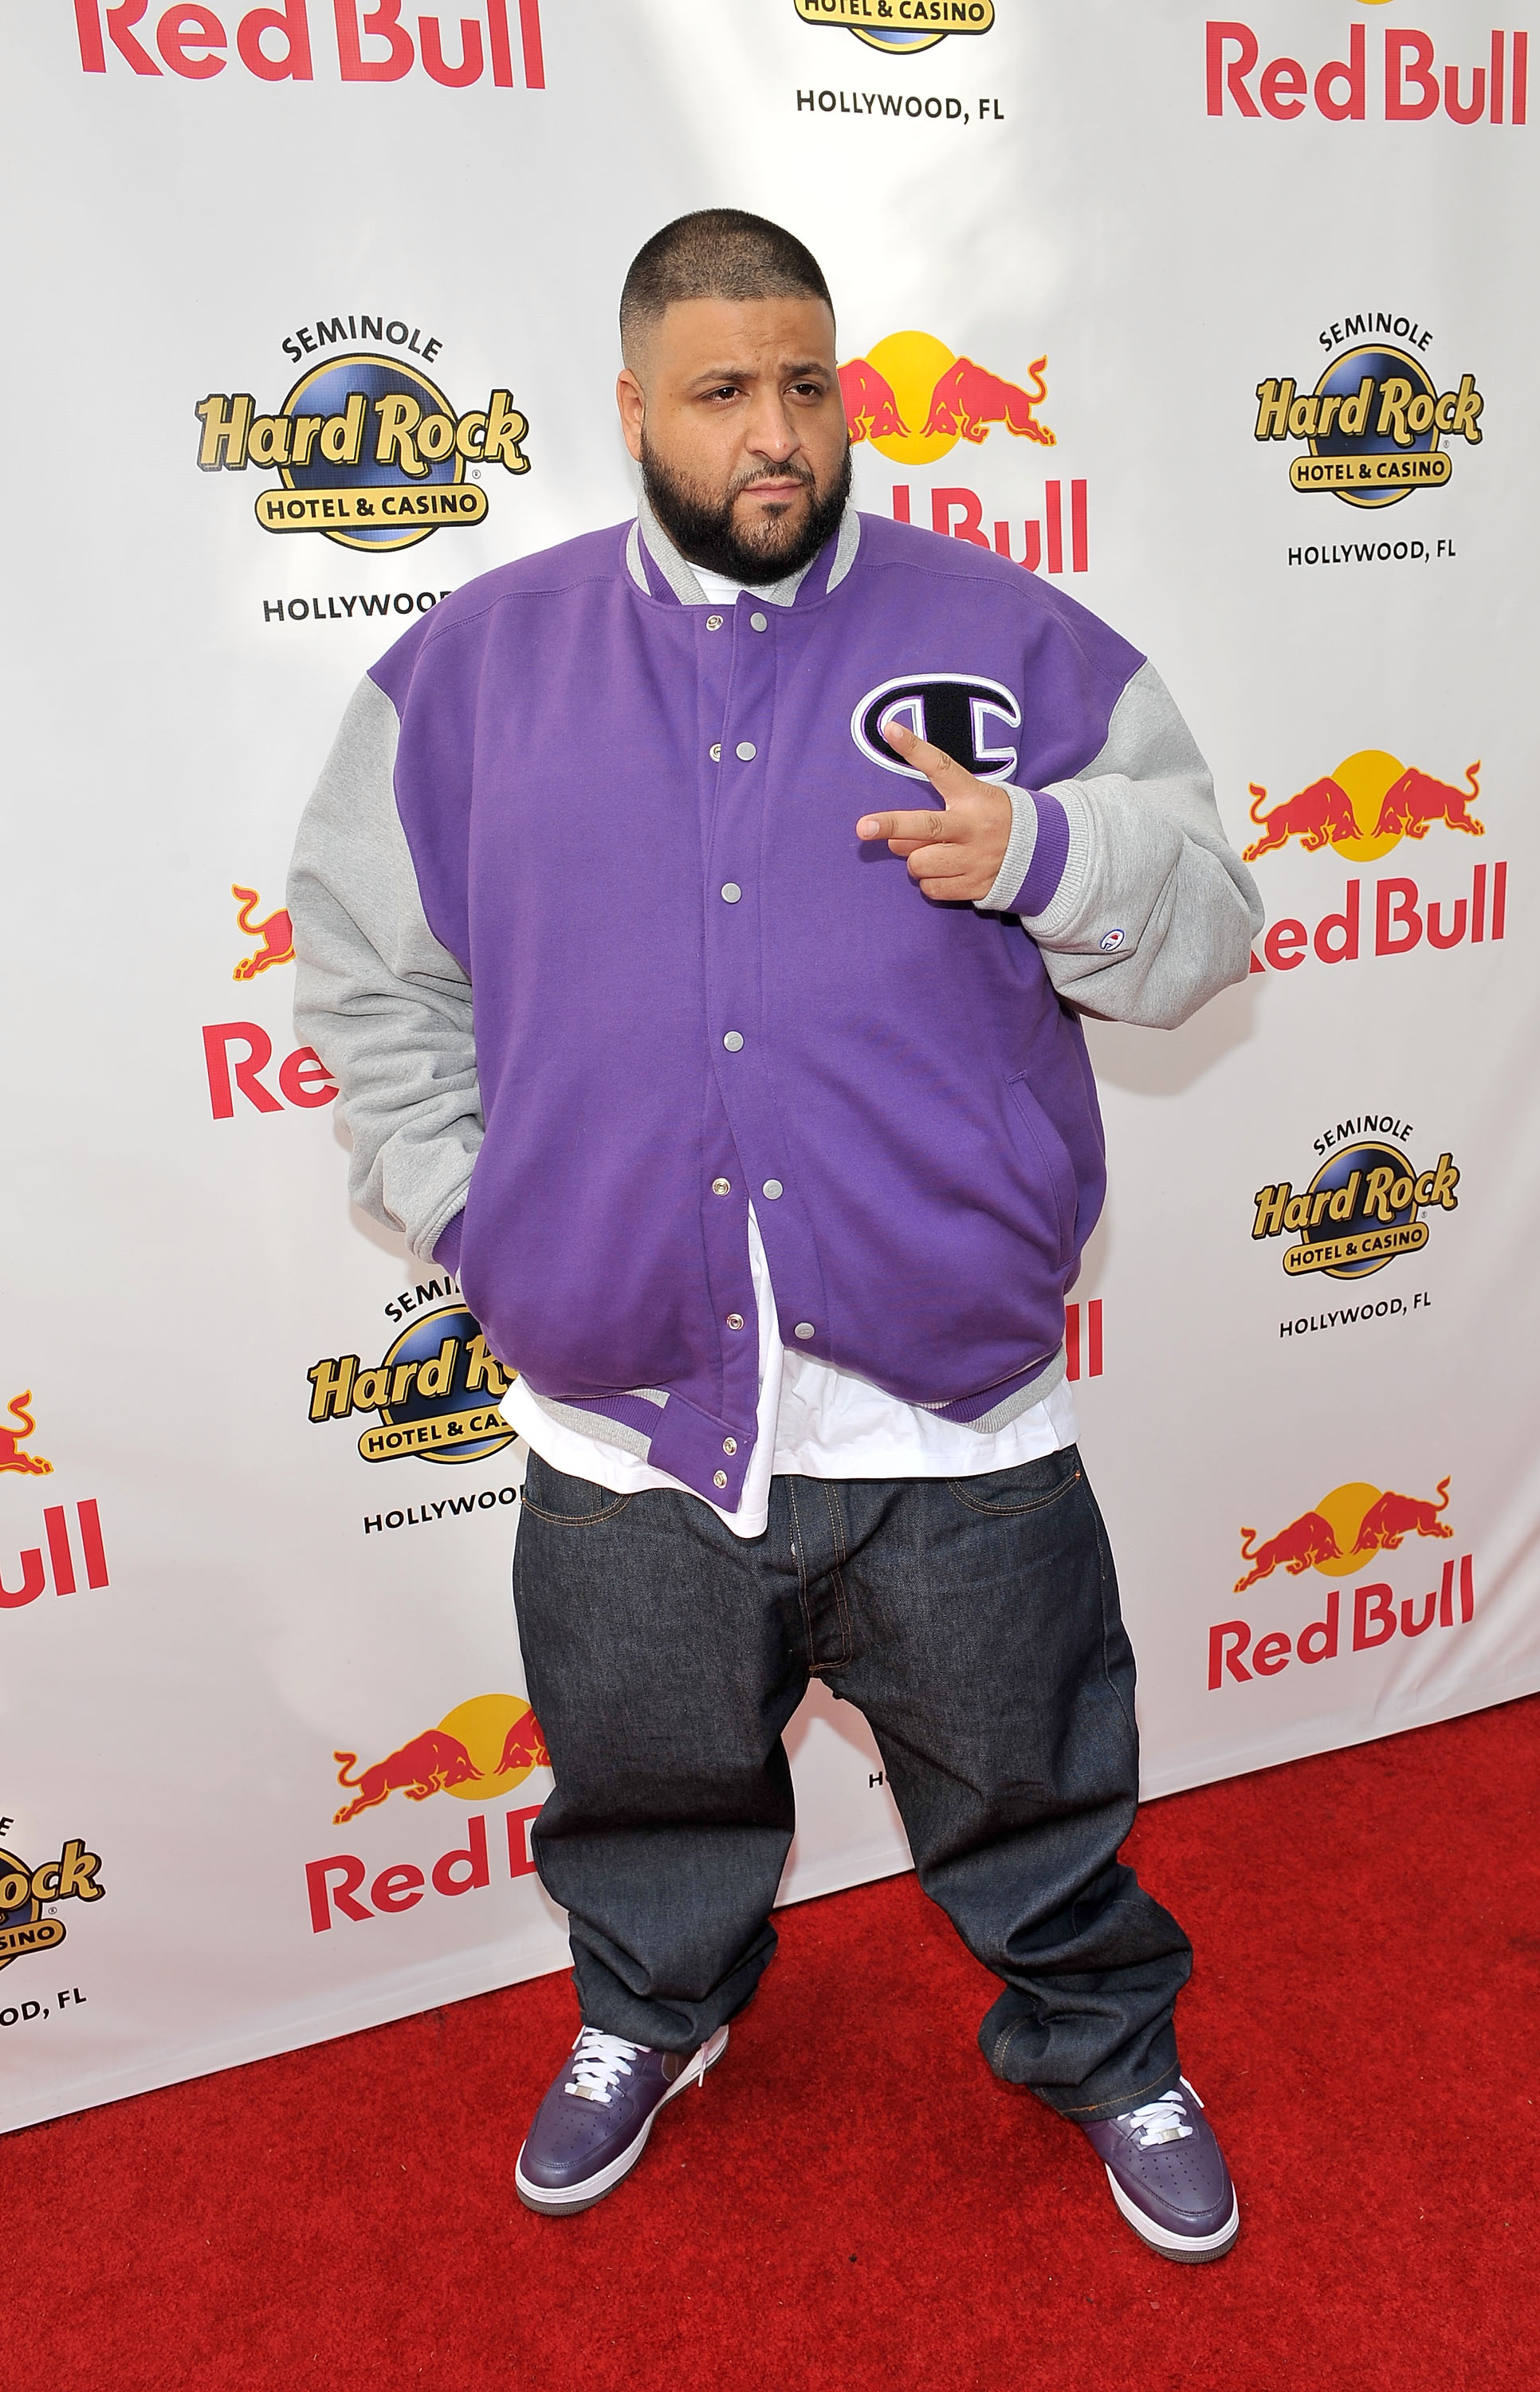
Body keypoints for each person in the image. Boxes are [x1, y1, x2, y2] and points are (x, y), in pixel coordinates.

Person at [289, 210, 1263, 2264]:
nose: (777, 433)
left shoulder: (1014, 644)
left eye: (808, 385)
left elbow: (1207, 933)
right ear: (631, 406)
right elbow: (373, 986)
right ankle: (650, 2005)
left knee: (1035, 1785)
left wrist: (1051, 855)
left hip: (945, 1399)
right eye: (724, 391)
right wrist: (484, 1213)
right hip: (624, 1399)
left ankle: (1104, 2035)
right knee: (645, 1784)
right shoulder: (469, 670)